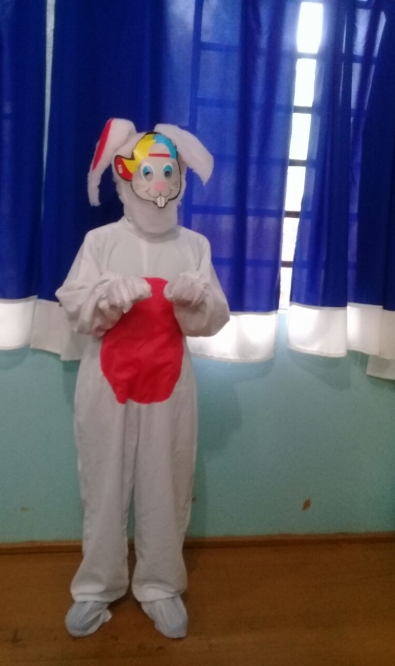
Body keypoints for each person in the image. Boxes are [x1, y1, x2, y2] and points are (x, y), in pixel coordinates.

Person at [56, 119, 230, 639]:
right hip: (107, 384)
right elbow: (76, 308)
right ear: (125, 177)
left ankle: (160, 584)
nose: (158, 183)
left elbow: (212, 319)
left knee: (165, 481)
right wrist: (105, 298)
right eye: (147, 172)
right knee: (103, 483)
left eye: (167, 172)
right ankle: (97, 585)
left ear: (179, 178)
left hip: (169, 384)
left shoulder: (194, 246)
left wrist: (197, 300)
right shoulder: (101, 242)